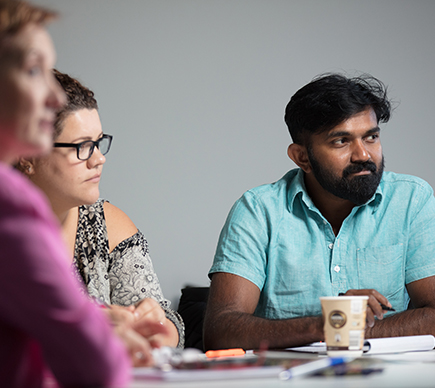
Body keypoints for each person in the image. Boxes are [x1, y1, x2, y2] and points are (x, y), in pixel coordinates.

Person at [204, 73, 435, 351]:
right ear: (302, 157)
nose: (363, 154)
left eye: (371, 137)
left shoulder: (412, 199)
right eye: (341, 141)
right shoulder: (258, 210)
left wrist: (350, 332)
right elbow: (219, 331)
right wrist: (331, 323)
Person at [0, 1, 166, 387]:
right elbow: (96, 368)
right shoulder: (11, 206)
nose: (55, 98)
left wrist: (98, 319)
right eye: (32, 70)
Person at [18, 69, 184, 348]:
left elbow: (168, 326)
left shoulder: (107, 224)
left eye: (98, 143)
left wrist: (156, 327)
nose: (98, 159)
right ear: (29, 156)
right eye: (82, 146)